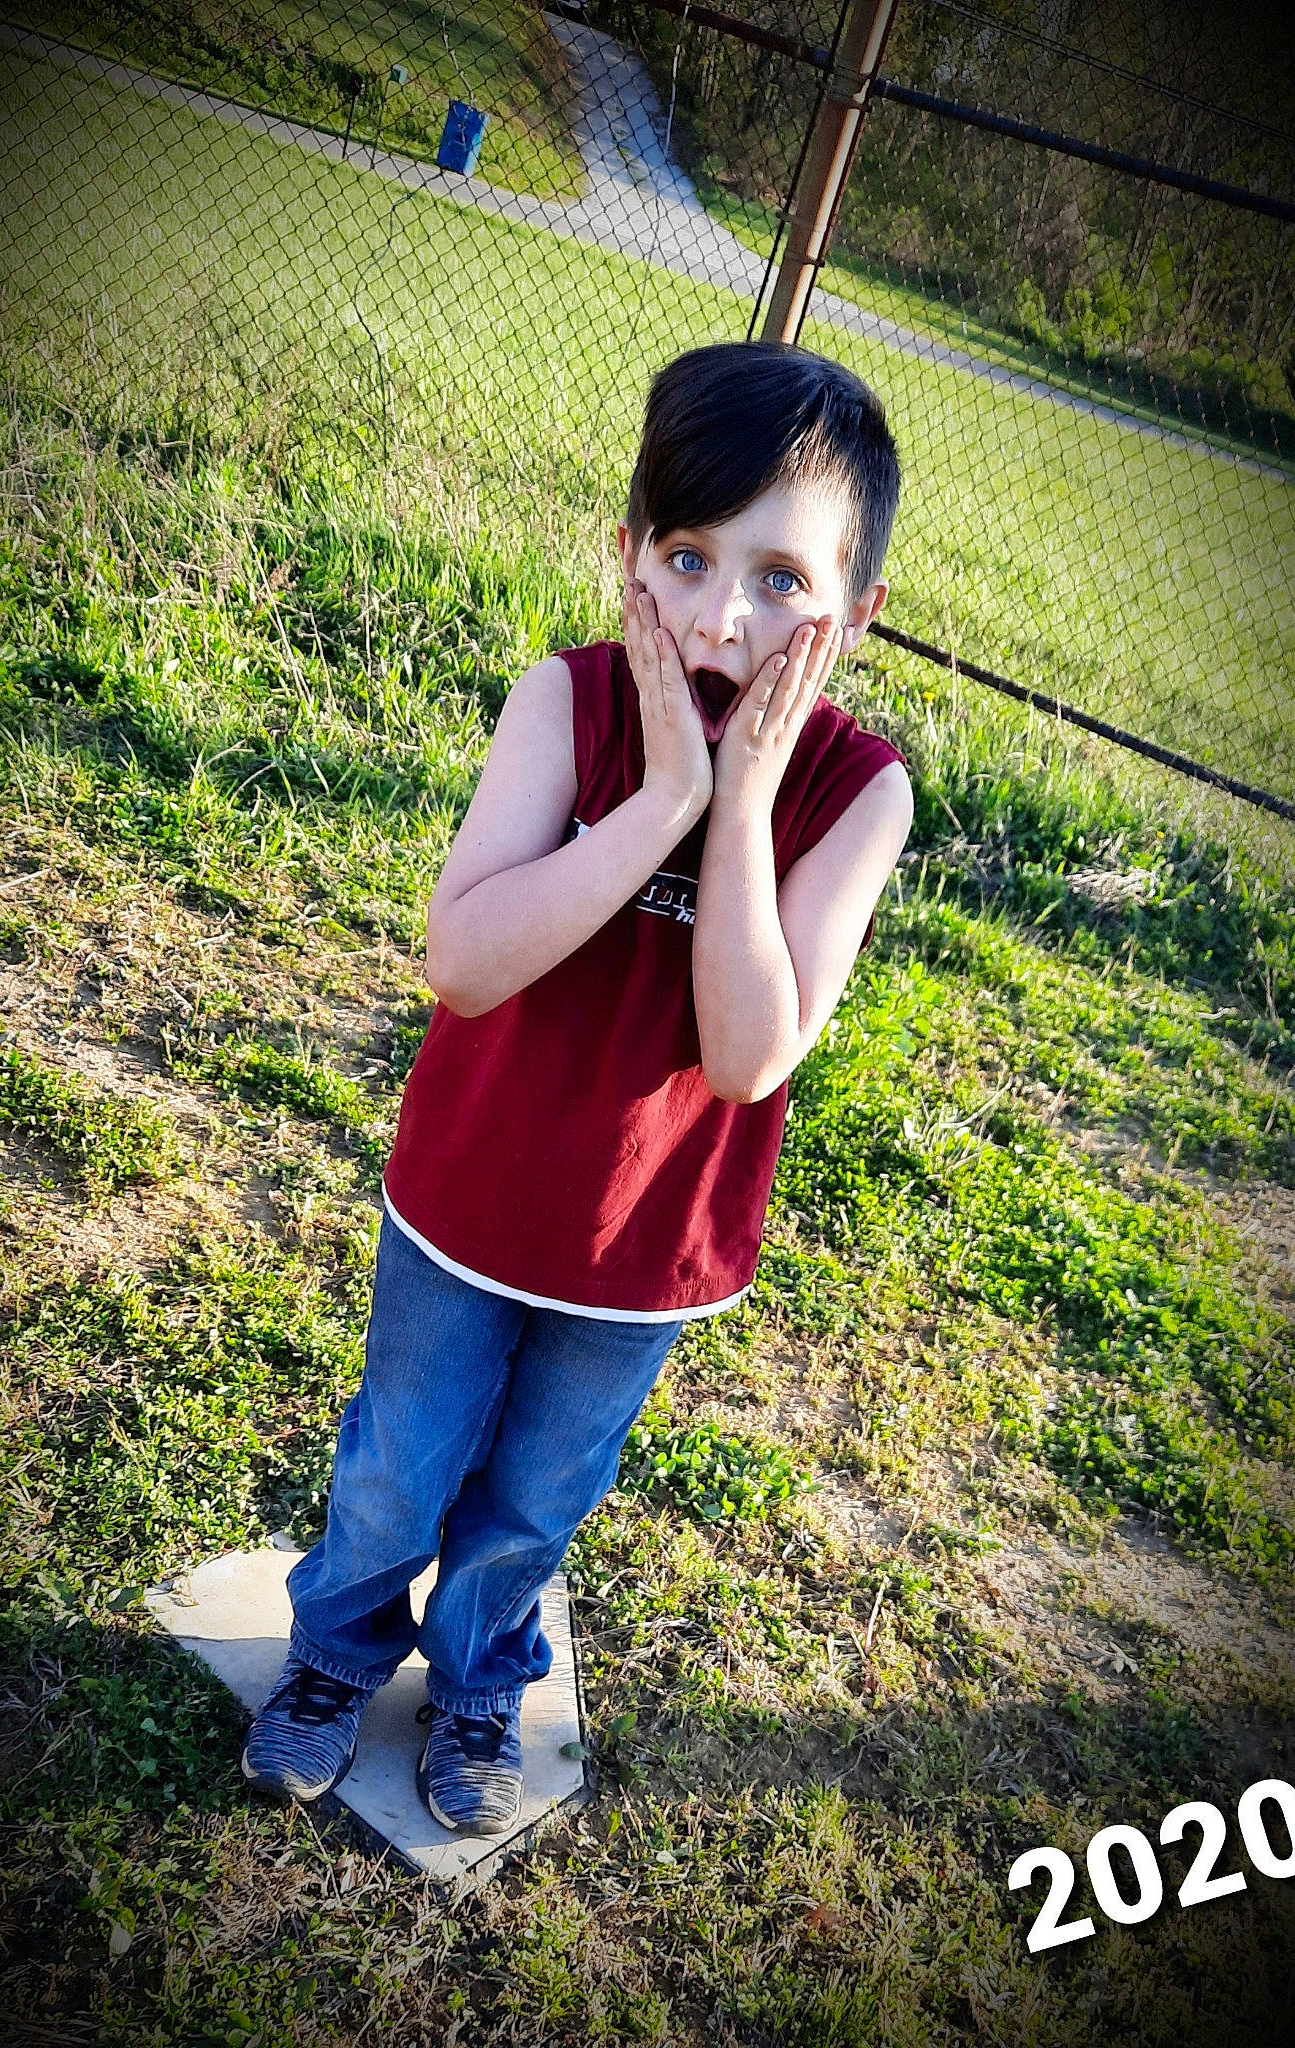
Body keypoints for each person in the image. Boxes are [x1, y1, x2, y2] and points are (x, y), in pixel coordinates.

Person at [240, 340, 914, 1836]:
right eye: (687, 557)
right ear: (630, 557)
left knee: (531, 1506)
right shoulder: (568, 702)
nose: (723, 617)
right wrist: (662, 796)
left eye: (782, 580)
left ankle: (480, 1680)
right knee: (394, 1475)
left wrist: (735, 807)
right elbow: (465, 959)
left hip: (642, 1253)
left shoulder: (856, 795)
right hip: (468, 1204)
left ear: (853, 618)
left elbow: (748, 1055)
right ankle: (336, 1656)